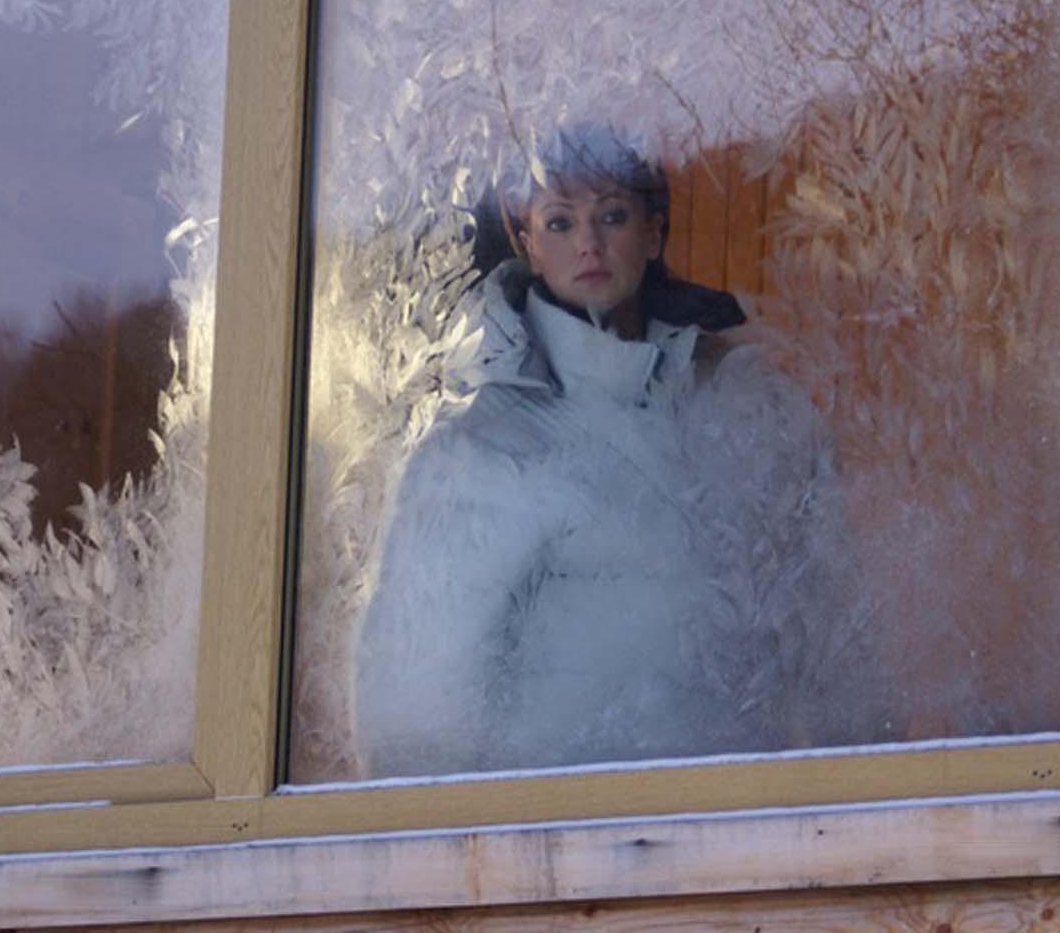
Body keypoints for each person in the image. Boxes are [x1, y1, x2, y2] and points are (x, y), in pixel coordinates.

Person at [354, 125, 882, 779]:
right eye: (560, 221)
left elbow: (834, 629)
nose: (589, 243)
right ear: (528, 245)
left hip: (745, 827)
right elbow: (415, 712)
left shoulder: (745, 405)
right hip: (561, 842)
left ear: (653, 233)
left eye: (612, 215)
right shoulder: (486, 447)